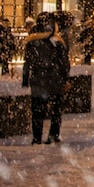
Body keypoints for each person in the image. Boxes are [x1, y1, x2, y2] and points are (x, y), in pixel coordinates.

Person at [21, 12, 70, 144]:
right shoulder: (57, 42)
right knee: (55, 110)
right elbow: (64, 63)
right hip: (55, 80)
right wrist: (65, 78)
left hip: (38, 81)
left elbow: (27, 63)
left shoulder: (32, 41)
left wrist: (25, 79)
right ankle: (53, 135)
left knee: (37, 111)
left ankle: (37, 137)